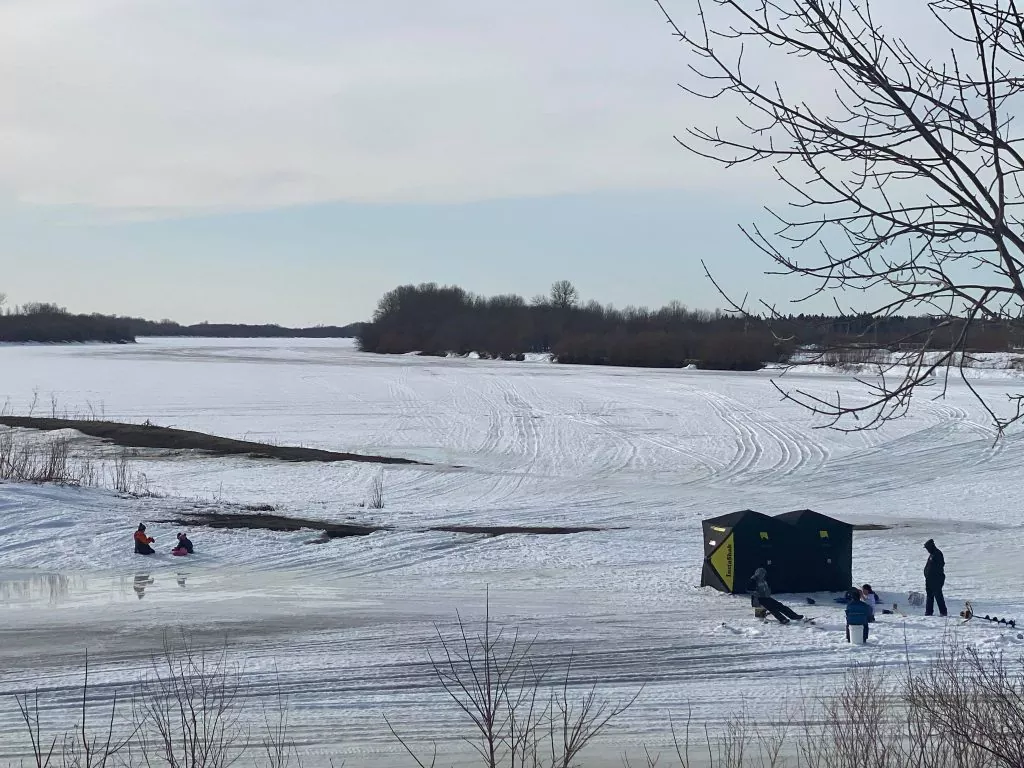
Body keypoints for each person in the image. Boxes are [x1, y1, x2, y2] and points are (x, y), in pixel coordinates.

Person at [923, 539, 947, 617]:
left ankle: (943, 612)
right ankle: (928, 612)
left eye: (927, 548)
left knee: (938, 596)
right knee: (929, 596)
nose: (927, 550)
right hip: (929, 580)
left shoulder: (938, 554)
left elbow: (940, 565)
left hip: (936, 579)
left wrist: (934, 576)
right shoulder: (932, 554)